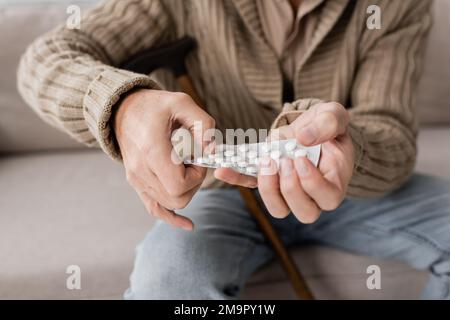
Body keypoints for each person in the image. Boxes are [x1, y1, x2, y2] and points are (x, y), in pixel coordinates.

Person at [18, 0, 450, 299]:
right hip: (223, 191)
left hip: (352, 187)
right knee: (170, 284)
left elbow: (390, 132)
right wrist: (123, 106)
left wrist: (349, 149)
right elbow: (47, 57)